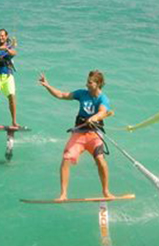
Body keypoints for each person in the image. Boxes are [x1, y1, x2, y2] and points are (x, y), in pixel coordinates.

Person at [38, 70, 113, 201]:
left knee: (100, 159)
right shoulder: (81, 94)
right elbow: (62, 95)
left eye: (90, 82)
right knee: (66, 158)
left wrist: (94, 118)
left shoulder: (103, 98)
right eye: (87, 82)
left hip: (95, 135)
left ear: (98, 83)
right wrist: (47, 86)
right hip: (79, 134)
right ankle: (63, 194)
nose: (87, 85)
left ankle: (106, 191)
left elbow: (103, 112)